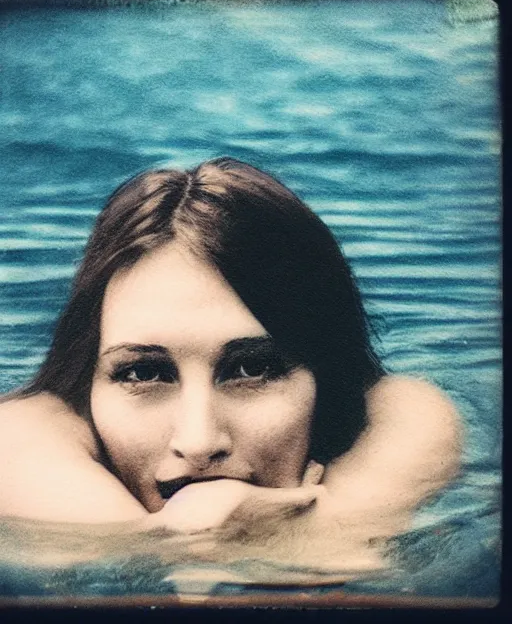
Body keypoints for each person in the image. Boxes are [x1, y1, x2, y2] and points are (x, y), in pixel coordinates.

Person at [0, 158, 461, 566]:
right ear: (87, 390)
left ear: (327, 378)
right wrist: (259, 531)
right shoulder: (26, 439)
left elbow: (410, 419)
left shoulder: (400, 415)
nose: (199, 443)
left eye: (251, 369)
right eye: (143, 372)